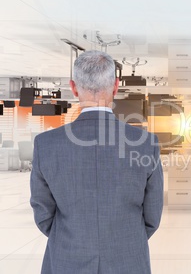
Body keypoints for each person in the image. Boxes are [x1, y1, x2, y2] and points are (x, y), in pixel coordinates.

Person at [30, 50, 164, 274]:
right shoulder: (145, 143)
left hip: (66, 259)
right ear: (115, 86)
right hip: (128, 260)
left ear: (73, 87)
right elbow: (152, 216)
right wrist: (125, 241)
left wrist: (73, 239)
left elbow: (43, 214)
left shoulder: (46, 144)